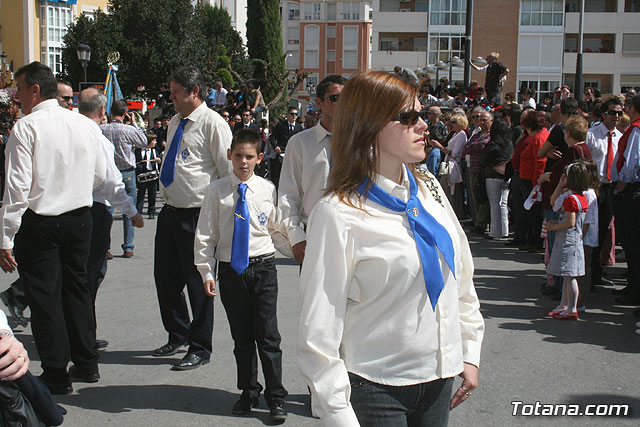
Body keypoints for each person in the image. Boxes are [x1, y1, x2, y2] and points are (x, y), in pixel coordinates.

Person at [297, 71, 484, 426]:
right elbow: (318, 330)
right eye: (408, 118)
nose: (424, 126)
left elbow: (461, 274)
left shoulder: (429, 191)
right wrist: (339, 416)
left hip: (439, 378)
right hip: (376, 386)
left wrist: (469, 350)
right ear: (368, 125)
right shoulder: (339, 213)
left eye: (423, 115)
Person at [0, 61, 108, 394]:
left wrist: (6, 236)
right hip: (79, 216)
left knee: (45, 297)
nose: (16, 97)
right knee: (77, 290)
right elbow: (102, 174)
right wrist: (74, 187)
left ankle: (57, 372)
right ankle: (87, 363)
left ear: (35, 89)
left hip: (41, 220)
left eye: (19, 90)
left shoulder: (26, 127)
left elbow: (17, 188)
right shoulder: (83, 123)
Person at [195, 129, 288, 421]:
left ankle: (275, 396)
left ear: (260, 158)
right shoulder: (216, 191)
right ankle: (249, 391)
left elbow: (274, 227)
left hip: (263, 267)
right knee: (242, 337)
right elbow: (205, 235)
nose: (243, 162)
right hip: (232, 271)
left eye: (249, 157)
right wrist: (206, 270)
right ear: (229, 156)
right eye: (238, 156)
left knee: (268, 335)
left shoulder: (267, 189)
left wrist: (299, 251)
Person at [152, 66, 232, 371]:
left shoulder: (214, 124)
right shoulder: (176, 122)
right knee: (166, 279)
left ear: (194, 91)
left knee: (198, 284)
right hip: (170, 211)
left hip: (198, 215)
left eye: (176, 92)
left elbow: (227, 172)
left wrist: (222, 219)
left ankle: (200, 346)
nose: (170, 97)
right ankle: (178, 333)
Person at [78, 88, 144, 350]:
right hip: (94, 208)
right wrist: (133, 212)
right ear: (102, 111)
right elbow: (110, 182)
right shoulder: (97, 137)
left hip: (66, 210)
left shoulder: (73, 132)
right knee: (90, 276)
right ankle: (84, 334)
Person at [278, 75, 347, 265]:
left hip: (354, 235)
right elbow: (288, 194)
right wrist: (296, 237)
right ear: (319, 103)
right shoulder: (300, 143)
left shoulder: (361, 144)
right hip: (314, 235)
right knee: (315, 295)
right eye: (335, 98)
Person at [100, 99, 148, 258]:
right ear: (125, 114)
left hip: (108, 171)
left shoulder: (102, 129)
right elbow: (144, 142)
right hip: (127, 172)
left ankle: (105, 247)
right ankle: (128, 246)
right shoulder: (128, 130)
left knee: (107, 211)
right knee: (130, 210)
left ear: (111, 112)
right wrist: (134, 123)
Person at [585, 97, 623, 287]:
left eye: (619, 113)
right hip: (594, 187)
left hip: (610, 188)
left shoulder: (620, 137)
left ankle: (597, 270)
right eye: (612, 112)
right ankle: (589, 272)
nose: (616, 116)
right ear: (604, 114)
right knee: (591, 230)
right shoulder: (592, 134)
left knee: (604, 231)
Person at [545, 161, 590, 320]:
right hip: (573, 240)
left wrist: (554, 226)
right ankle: (565, 305)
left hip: (569, 241)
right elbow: (554, 203)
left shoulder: (571, 199)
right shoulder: (579, 197)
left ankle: (572, 308)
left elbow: (569, 222)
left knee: (570, 277)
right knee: (566, 275)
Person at [611, 94, 640, 309]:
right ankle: (633, 285)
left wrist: (622, 183)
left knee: (632, 242)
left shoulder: (636, 130)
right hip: (630, 188)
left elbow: (631, 162)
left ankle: (635, 289)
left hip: (631, 190)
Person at [519, 111, 549, 252]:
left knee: (534, 213)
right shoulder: (538, 137)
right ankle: (533, 239)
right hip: (529, 179)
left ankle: (535, 240)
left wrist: (536, 182)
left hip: (532, 181)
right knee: (531, 212)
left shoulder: (538, 138)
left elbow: (540, 161)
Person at [428, 113, 468, 219]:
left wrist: (440, 147)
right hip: (448, 163)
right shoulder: (455, 134)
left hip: (454, 165)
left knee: (453, 191)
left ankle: (456, 214)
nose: (451, 124)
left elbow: (454, 153)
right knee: (446, 189)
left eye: (454, 122)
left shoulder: (462, 135)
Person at [482, 118, 513, 238]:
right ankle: (505, 230)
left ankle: (495, 231)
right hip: (506, 175)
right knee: (504, 203)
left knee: (494, 204)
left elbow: (485, 159)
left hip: (492, 175)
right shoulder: (509, 143)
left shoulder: (493, 143)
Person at [463, 111, 493, 233]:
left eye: (484, 120)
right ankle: (477, 220)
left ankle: (481, 223)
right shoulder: (477, 134)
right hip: (473, 168)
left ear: (491, 121)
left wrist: (473, 147)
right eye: (480, 120)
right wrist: (474, 146)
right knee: (474, 196)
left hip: (483, 170)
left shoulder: (491, 135)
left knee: (482, 197)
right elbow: (466, 147)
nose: (481, 122)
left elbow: (482, 146)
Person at [135, 132, 161, 219]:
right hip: (142, 174)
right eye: (154, 140)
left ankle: (151, 211)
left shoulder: (155, 151)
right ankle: (138, 211)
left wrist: (158, 160)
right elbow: (137, 161)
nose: (156, 142)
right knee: (141, 194)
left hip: (152, 175)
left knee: (152, 194)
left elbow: (159, 160)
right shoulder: (139, 150)